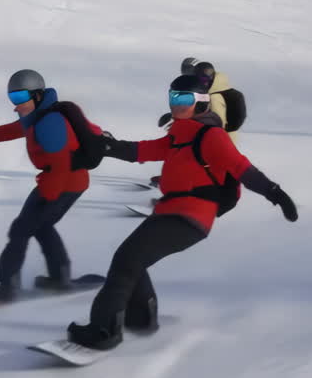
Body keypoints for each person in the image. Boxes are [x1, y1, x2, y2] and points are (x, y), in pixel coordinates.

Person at [68, 74, 298, 350]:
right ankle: (141, 318)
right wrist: (108, 146)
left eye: (184, 99)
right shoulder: (178, 136)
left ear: (201, 103)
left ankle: (104, 330)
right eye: (173, 97)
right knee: (131, 258)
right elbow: (142, 150)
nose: (177, 104)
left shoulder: (211, 135)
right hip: (171, 211)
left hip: (191, 216)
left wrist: (276, 194)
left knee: (127, 260)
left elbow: (242, 169)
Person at [0, 70, 102, 300]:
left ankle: (8, 286)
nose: (16, 104)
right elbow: (10, 131)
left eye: (21, 97)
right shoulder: (37, 116)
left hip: (64, 183)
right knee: (40, 226)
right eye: (13, 98)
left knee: (21, 229)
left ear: (38, 95)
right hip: (59, 181)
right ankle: (58, 277)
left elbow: (61, 164)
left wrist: (48, 198)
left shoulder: (50, 123)